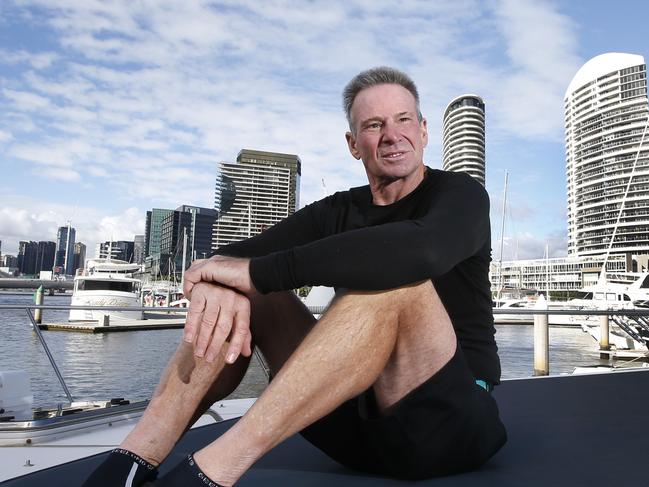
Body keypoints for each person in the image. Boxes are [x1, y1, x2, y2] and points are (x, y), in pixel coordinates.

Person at [82, 66, 507, 487]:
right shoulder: (339, 210)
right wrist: (227, 281)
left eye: (404, 120)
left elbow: (423, 250)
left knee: (396, 282)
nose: (392, 135)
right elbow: (229, 258)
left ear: (424, 131)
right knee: (243, 291)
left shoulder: (461, 196)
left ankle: (211, 472)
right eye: (374, 125)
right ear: (353, 145)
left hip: (446, 425)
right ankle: (133, 460)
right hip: (351, 429)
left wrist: (256, 272)